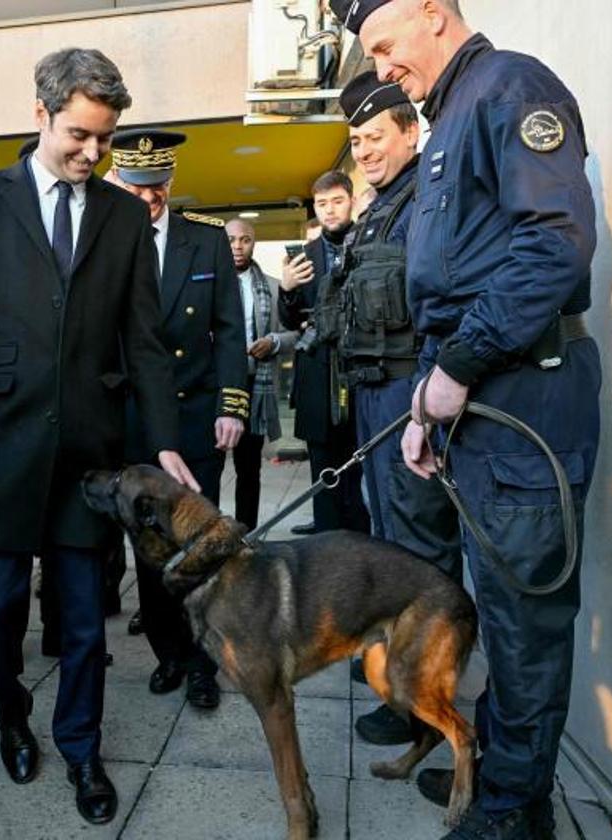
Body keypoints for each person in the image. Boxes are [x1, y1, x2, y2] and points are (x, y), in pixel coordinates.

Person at [340, 2, 602, 838]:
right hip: (479, 409)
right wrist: (426, 402)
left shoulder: (508, 87)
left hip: (525, 400)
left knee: (525, 629)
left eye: (384, 45)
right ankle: (491, 773)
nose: (380, 68)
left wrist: (453, 368)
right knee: (493, 607)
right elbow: (444, 291)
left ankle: (512, 816)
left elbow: (554, 247)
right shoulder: (453, 113)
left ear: (431, 12)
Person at [0, 47, 196, 826]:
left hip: (90, 458)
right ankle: (10, 713)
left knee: (84, 624)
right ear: (40, 114)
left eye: (105, 139)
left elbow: (144, 339)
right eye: (79, 134)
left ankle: (81, 748)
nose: (92, 153)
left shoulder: (121, 215)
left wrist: (166, 439)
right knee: (2, 611)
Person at [320, 71, 464, 747]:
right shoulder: (381, 207)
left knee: (420, 554)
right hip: (375, 398)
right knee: (391, 541)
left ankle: (423, 700)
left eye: (376, 136)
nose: (366, 151)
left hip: (410, 396)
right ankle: (399, 672)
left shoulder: (426, 202)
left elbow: (441, 309)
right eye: (356, 141)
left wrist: (425, 406)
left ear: (412, 132)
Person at [105, 129, 246, 711]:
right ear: (119, 182)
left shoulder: (205, 241)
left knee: (200, 543)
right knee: (149, 544)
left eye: (157, 185)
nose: (148, 197)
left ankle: (205, 663)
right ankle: (170, 653)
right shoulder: (105, 241)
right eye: (136, 186)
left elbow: (231, 329)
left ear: (171, 181)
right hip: (136, 418)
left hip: (194, 416)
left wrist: (230, 405)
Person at [279, 172, 371, 536]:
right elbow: (290, 321)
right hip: (318, 377)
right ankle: (328, 539)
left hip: (361, 375)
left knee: (361, 464)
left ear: (350, 201)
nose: (330, 210)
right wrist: (286, 290)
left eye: (337, 201)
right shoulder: (303, 257)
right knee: (323, 468)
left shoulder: (370, 245)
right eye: (322, 203)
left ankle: (362, 542)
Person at [225, 217, 297, 529]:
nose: (238, 247)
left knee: (248, 469)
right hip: (216, 386)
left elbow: (295, 334)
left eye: (245, 240)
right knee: (208, 469)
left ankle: (246, 535)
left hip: (256, 387)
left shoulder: (271, 286)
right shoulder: (205, 283)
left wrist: (274, 342)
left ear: (253, 242)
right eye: (231, 240)